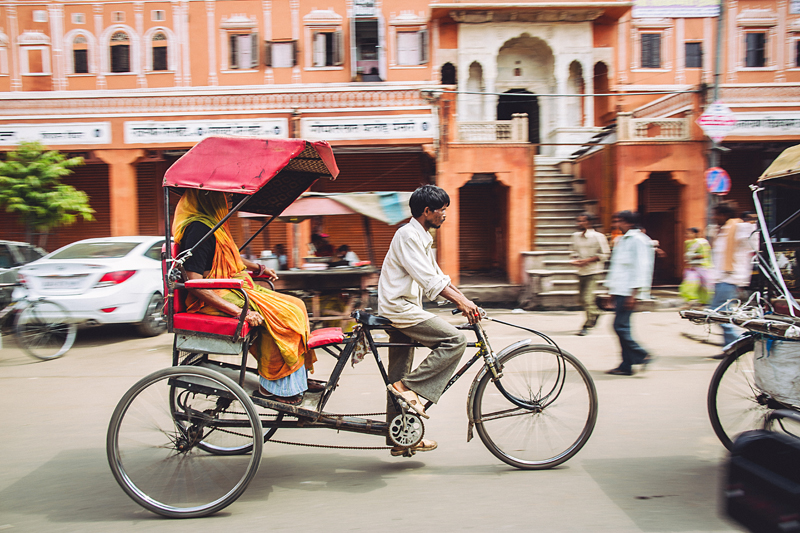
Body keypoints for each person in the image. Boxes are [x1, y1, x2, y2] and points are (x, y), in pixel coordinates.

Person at [173, 189, 321, 405]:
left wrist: (259, 267)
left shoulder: (214, 226)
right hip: (214, 294)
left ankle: (296, 380)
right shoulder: (199, 229)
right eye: (224, 197)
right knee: (284, 315)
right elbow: (194, 282)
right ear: (211, 200)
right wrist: (239, 312)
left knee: (297, 304)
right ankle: (273, 386)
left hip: (235, 285)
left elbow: (231, 258)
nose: (228, 201)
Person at [378, 184, 481, 456]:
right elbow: (429, 281)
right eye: (442, 210)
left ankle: (400, 438)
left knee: (399, 368)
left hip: (405, 306)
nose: (445, 215)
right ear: (427, 211)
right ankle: (408, 388)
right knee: (455, 340)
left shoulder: (420, 236)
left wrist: (465, 299)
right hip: (400, 308)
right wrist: (460, 302)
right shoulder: (408, 236)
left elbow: (439, 277)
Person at [604, 211, 655, 376]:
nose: (617, 224)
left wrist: (634, 294)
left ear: (628, 223)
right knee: (622, 327)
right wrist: (611, 293)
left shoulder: (638, 240)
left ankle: (642, 354)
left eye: (619, 221)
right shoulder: (621, 240)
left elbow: (641, 267)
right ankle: (626, 365)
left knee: (620, 326)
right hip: (619, 289)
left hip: (628, 291)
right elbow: (616, 268)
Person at [708, 203, 756, 358]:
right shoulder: (722, 231)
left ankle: (735, 345)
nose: (713, 218)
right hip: (721, 278)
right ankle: (731, 347)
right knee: (721, 313)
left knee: (719, 312)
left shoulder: (739, 228)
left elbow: (755, 242)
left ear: (724, 214)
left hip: (731, 278)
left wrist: (750, 223)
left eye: (716, 214)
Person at [570, 212, 610, 336]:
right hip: (581, 271)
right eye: (579, 221)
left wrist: (586, 261)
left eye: (582, 221)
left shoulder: (598, 236)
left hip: (593, 271)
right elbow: (573, 251)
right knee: (581, 300)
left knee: (587, 299)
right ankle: (596, 313)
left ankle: (587, 325)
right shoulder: (575, 236)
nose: (579, 223)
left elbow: (605, 254)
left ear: (589, 222)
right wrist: (576, 260)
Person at [679, 227, 713, 307]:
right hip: (692, 267)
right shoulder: (688, 243)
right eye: (686, 233)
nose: (687, 235)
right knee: (690, 284)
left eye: (689, 233)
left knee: (705, 285)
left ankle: (705, 301)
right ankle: (690, 300)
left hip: (703, 266)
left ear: (696, 234)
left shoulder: (702, 242)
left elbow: (704, 255)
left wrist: (692, 256)